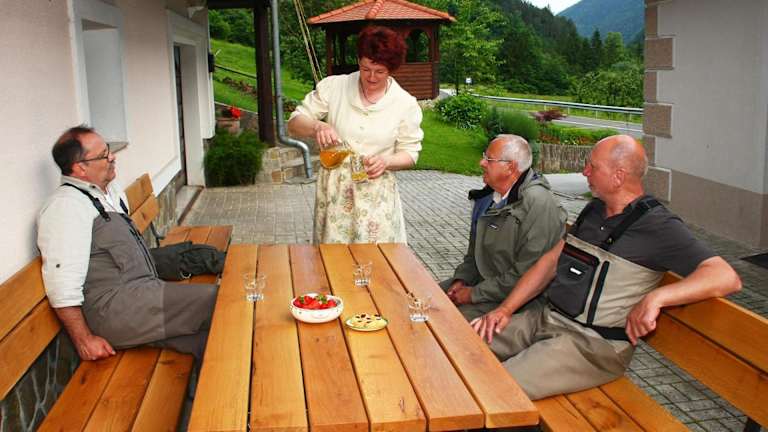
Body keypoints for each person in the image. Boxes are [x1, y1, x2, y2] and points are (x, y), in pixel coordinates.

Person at [470, 135, 742, 400]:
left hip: (591, 345)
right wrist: (505, 309)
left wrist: (657, 297)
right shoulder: (595, 209)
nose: (584, 171)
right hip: (545, 320)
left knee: (494, 389)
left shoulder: (659, 226)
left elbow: (725, 276)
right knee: (464, 346)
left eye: (592, 166)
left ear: (618, 176)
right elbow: (551, 261)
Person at [37, 126, 217, 362]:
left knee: (208, 340)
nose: (112, 157)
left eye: (109, 150)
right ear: (80, 168)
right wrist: (84, 340)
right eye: (103, 155)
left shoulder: (108, 192)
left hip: (142, 297)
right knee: (219, 300)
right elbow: (61, 284)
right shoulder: (65, 207)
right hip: (115, 311)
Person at [287, 26, 423, 244]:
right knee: (332, 259)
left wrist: (386, 161)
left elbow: (410, 153)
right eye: (365, 68)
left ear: (391, 69)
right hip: (335, 193)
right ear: (358, 60)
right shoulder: (335, 87)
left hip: (376, 195)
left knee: (378, 258)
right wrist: (317, 127)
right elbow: (294, 123)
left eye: (380, 71)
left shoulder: (405, 104)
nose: (371, 77)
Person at [440, 135, 566, 321]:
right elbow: (474, 254)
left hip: (514, 302)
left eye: (489, 159)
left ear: (510, 167)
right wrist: (462, 279)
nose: (481, 162)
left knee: (444, 321)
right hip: (483, 285)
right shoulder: (489, 198)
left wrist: (473, 294)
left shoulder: (538, 205)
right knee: (418, 297)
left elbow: (526, 275)